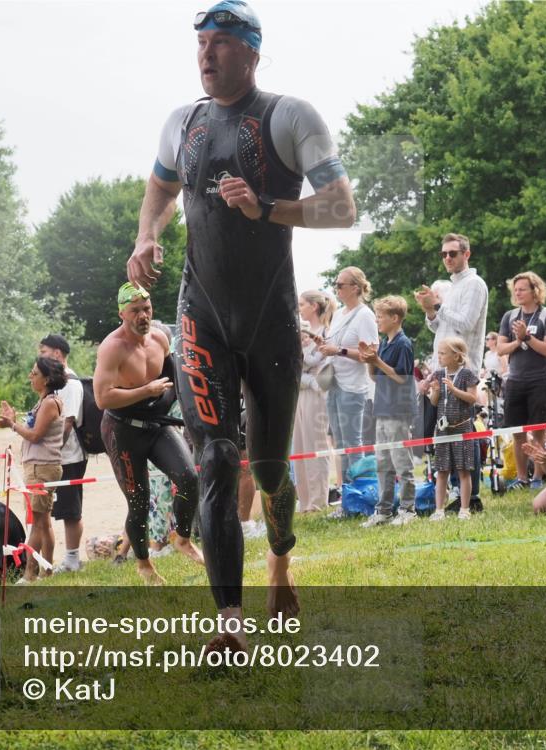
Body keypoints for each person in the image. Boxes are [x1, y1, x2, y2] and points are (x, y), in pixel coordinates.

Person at [125, 0, 355, 642]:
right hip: (201, 315)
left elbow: (341, 207)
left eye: (221, 43)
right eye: (200, 42)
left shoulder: (289, 115)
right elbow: (162, 187)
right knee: (219, 457)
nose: (206, 55)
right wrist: (147, 236)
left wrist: (268, 207)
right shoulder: (183, 122)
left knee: (272, 470)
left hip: (271, 321)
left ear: (252, 52)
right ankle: (230, 621)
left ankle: (281, 560)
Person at [95, 284, 205, 585]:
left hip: (156, 424)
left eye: (147, 309)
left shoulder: (160, 337)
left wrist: (175, 404)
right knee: (139, 501)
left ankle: (182, 538)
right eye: (135, 311)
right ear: (122, 313)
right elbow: (103, 398)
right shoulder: (111, 348)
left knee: (188, 478)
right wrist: (146, 391)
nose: (143, 316)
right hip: (122, 431)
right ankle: (143, 563)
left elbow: (171, 376)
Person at [415, 233, 489, 510]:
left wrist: (437, 305)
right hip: (443, 366)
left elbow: (466, 324)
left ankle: (473, 496)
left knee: (464, 430)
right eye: (443, 254)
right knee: (444, 431)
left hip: (463, 368)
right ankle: (455, 493)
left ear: (466, 254)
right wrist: (430, 311)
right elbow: (441, 327)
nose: (447, 258)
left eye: (453, 253)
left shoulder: (474, 284)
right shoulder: (452, 286)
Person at [0, 357, 66, 581]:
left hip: (42, 467)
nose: (30, 376)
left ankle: (29, 574)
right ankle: (47, 569)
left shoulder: (49, 403)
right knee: (43, 522)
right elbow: (32, 431)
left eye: (34, 373)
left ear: (47, 379)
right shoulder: (44, 401)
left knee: (36, 521)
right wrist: (12, 421)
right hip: (40, 466)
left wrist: (12, 425)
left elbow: (35, 436)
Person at [496, 271, 546, 491]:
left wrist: (527, 337)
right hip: (515, 381)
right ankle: (522, 478)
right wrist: (518, 341)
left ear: (535, 291)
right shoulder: (510, 316)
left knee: (539, 431)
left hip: (540, 380)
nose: (518, 293)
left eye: (522, 289)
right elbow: (501, 348)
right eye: (515, 290)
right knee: (518, 432)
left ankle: (538, 477)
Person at [359, 296, 417, 527]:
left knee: (402, 462)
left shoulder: (403, 343)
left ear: (395, 318)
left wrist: (378, 361)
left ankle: (407, 509)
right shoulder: (384, 342)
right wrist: (369, 360)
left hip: (398, 410)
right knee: (383, 463)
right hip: (382, 409)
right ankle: (383, 510)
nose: (377, 320)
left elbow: (402, 377)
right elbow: (375, 377)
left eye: (381, 316)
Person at [320, 267, 378, 485]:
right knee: (340, 443)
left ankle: (362, 492)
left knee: (353, 443)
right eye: (335, 284)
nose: (336, 288)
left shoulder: (365, 315)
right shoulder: (339, 314)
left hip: (353, 387)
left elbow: (371, 354)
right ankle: (348, 495)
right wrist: (324, 346)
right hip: (334, 383)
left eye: (340, 285)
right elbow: (334, 345)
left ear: (355, 288)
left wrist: (339, 351)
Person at [38, 333, 87, 574]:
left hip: (69, 457)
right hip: (56, 456)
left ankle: (72, 559)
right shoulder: (56, 382)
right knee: (50, 509)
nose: (40, 357)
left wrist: (52, 452)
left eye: (44, 352)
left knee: (71, 510)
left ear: (58, 354)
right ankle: (53, 560)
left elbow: (67, 423)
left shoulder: (71, 384)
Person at [427, 337, 479, 521]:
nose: (439, 356)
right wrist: (436, 392)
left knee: (464, 470)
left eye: (442, 353)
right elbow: (434, 403)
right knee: (442, 470)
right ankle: (439, 510)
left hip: (462, 428)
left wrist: (454, 389)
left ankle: (464, 509)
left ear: (456, 356)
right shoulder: (438, 374)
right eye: (438, 353)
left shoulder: (466, 374)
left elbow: (473, 398)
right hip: (443, 430)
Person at [294, 311, 333, 513]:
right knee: (299, 448)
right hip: (298, 395)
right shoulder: (298, 334)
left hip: (315, 396)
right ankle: (305, 500)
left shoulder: (323, 334)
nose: (300, 308)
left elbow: (322, 374)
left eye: (303, 304)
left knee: (314, 446)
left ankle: (318, 501)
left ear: (314, 306)